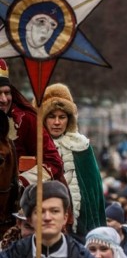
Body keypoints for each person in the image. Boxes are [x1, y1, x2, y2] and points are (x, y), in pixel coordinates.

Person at [40, 83, 106, 236]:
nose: (57, 122)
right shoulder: (33, 145)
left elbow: (94, 192)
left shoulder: (81, 146)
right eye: (52, 116)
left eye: (62, 117)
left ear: (68, 120)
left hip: (78, 230)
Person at [0, 58, 64, 186]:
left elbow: (53, 162)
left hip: (22, 201)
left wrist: (21, 183)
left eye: (7, 93)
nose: (4, 99)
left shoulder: (26, 120)